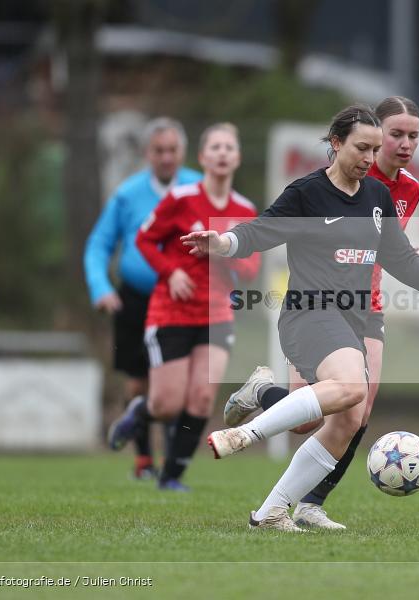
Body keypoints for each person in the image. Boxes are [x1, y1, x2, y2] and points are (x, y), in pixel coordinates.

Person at [182, 104, 419, 530]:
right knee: (352, 387)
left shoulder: (377, 197)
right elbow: (261, 230)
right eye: (362, 148)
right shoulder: (307, 193)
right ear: (336, 144)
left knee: (348, 418)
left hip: (351, 320)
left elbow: (400, 257)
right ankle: (246, 435)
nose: (370, 159)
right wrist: (223, 242)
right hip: (309, 313)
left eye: (374, 150)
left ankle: (272, 511)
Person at [107, 123, 261, 491]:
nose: (223, 153)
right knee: (167, 404)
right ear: (203, 157)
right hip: (171, 311)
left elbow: (252, 268)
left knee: (203, 397)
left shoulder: (244, 209)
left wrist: (225, 249)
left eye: (229, 147)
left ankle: (172, 476)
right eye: (216, 147)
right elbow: (144, 239)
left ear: (237, 158)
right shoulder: (181, 197)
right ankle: (140, 412)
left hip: (216, 314)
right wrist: (171, 271)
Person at [85, 117, 201, 480]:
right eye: (159, 150)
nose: (166, 157)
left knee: (177, 385)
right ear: (147, 154)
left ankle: (171, 463)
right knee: (139, 383)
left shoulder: (199, 188)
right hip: (136, 299)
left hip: (185, 301)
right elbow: (98, 245)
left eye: (172, 150)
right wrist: (100, 287)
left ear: (182, 152)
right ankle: (143, 459)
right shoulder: (128, 194)